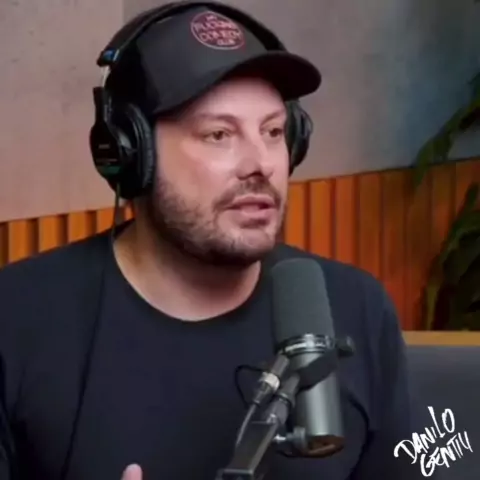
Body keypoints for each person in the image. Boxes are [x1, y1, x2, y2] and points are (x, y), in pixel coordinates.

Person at [0, 2, 439, 480]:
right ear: (129, 152)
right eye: (218, 134)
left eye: (273, 131)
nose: (261, 163)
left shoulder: (355, 306)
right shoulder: (18, 318)